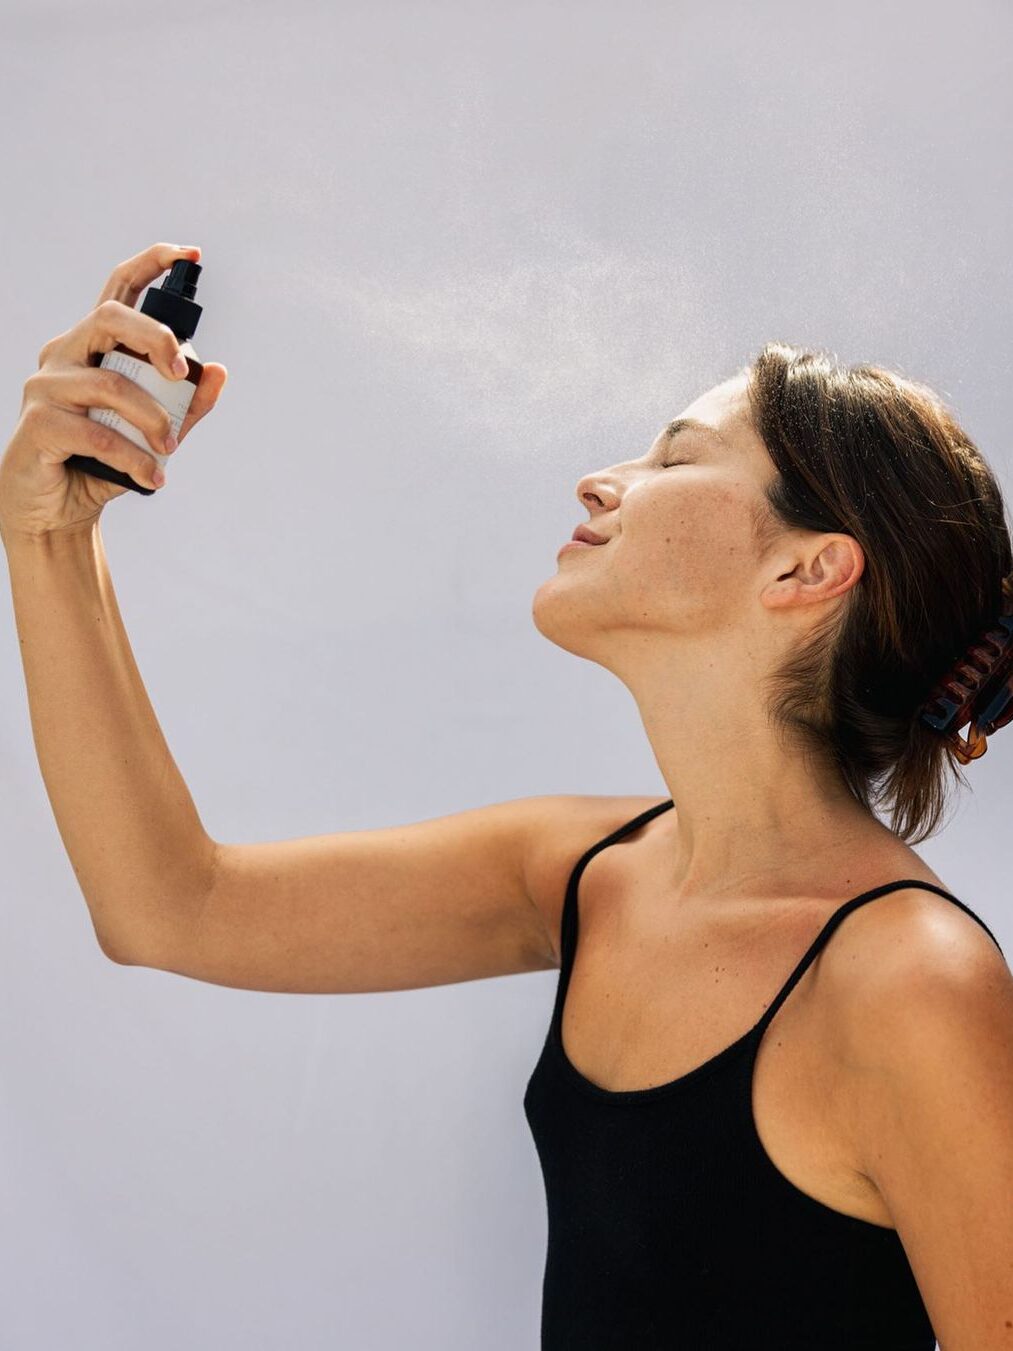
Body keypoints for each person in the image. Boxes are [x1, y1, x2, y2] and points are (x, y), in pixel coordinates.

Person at [3, 241, 1012, 1350]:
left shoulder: (911, 981)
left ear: (807, 569)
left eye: (676, 457)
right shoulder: (587, 873)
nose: (601, 480)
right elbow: (168, 906)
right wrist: (48, 535)